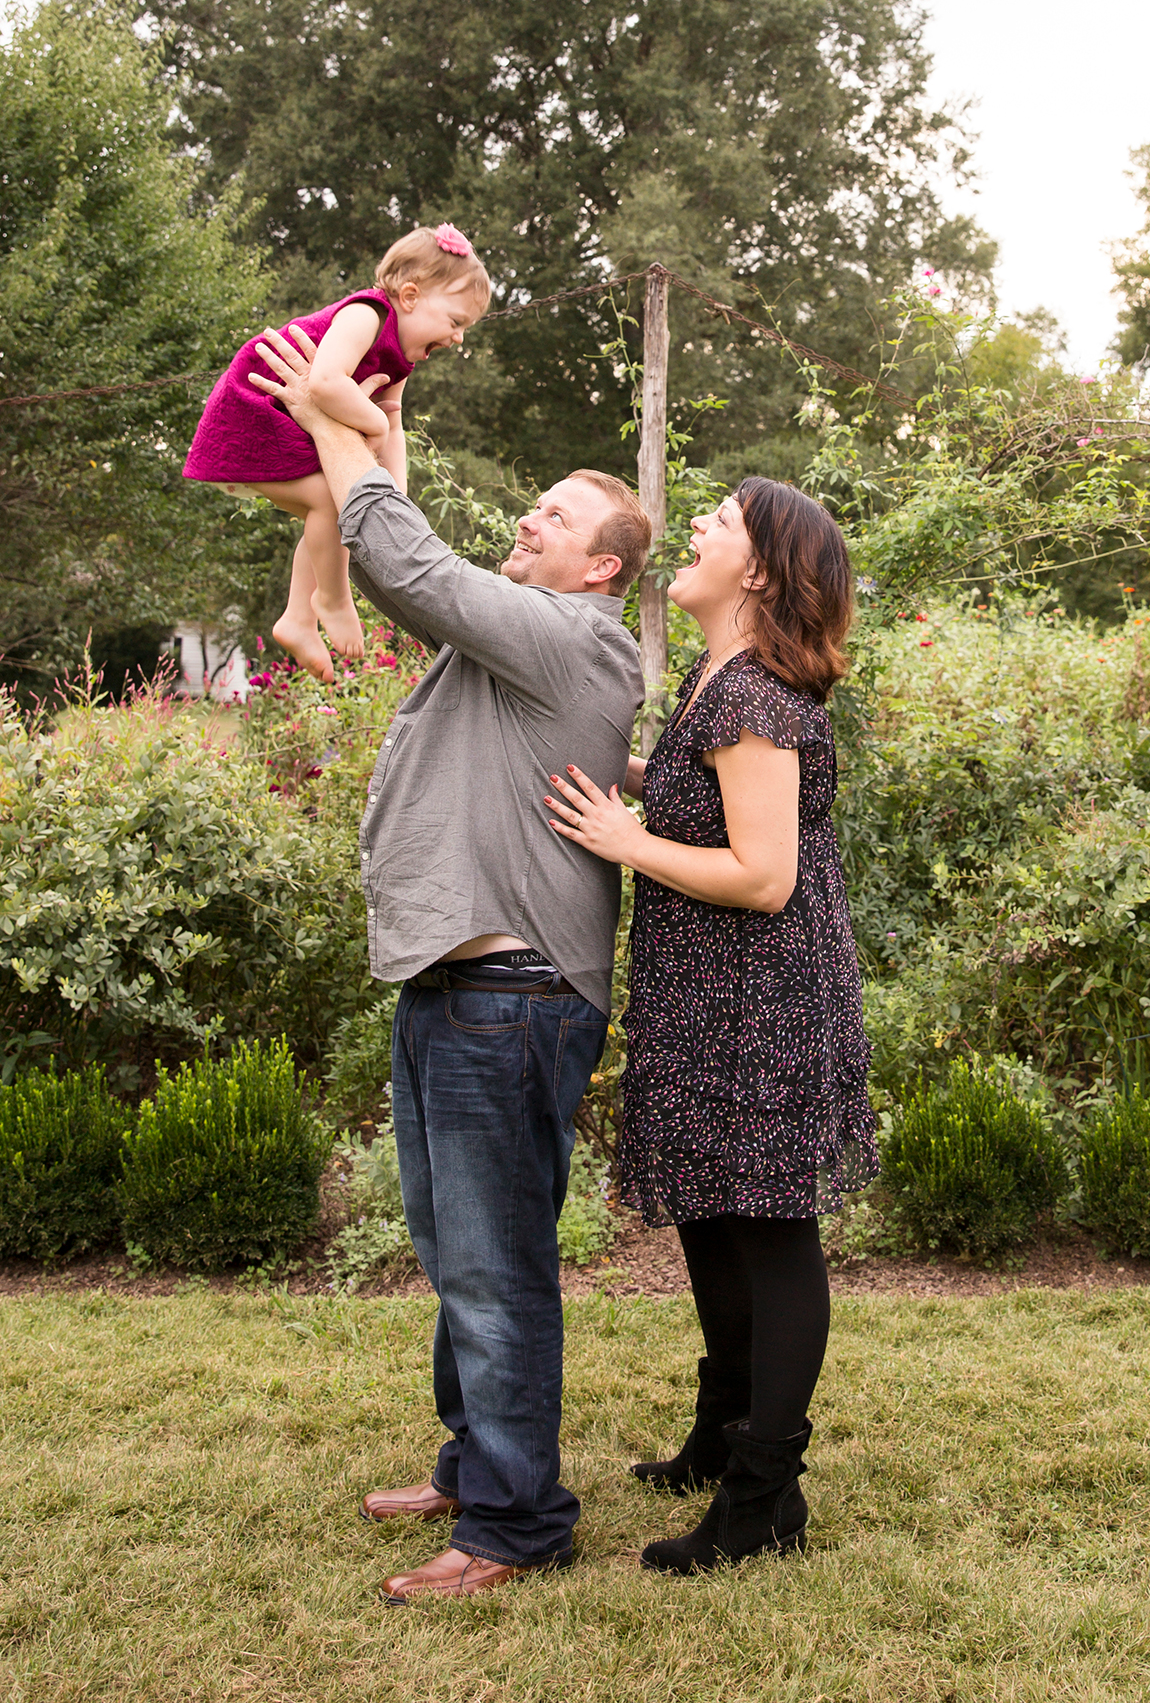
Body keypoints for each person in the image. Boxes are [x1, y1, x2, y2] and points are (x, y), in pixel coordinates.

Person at [247, 320, 649, 1606]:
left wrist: (324, 417)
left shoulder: (575, 643)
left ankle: (516, 1525)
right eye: (534, 504)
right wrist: (375, 427)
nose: (529, 521)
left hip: (511, 995)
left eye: (556, 517)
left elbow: (403, 562)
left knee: (493, 1263)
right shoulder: (513, 639)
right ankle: (477, 1465)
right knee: (456, 1248)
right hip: (461, 986)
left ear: (602, 573)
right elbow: (408, 534)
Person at [546, 477, 878, 1573]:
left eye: (721, 522)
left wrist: (621, 837)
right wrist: (629, 778)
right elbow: (709, 801)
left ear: (765, 574)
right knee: (710, 1219)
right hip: (712, 995)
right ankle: (718, 1434)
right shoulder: (716, 678)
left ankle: (764, 1496)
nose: (695, 526)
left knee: (770, 1234)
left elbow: (764, 874)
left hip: (761, 1001)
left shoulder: (755, 699)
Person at [184, 223, 491, 680]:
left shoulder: (400, 357)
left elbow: (391, 418)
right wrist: (366, 422)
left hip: (286, 420)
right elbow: (326, 383)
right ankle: (329, 598)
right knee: (333, 499)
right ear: (410, 296)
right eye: (455, 322)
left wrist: (396, 492)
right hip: (254, 407)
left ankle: (297, 618)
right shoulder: (367, 314)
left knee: (331, 500)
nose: (458, 338)